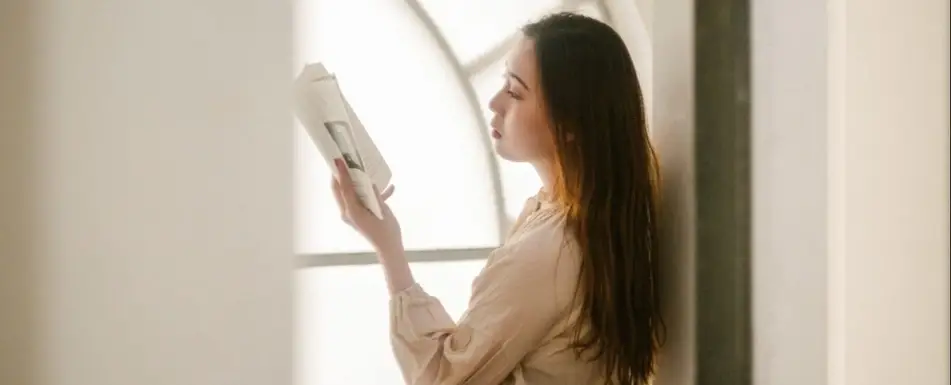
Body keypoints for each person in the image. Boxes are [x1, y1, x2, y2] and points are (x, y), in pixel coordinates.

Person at [330, 11, 663, 385]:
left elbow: (441, 377)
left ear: (568, 125)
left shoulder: (550, 250)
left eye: (516, 92)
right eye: (505, 81)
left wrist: (387, 247)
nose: (494, 102)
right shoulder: (591, 218)